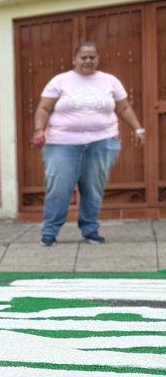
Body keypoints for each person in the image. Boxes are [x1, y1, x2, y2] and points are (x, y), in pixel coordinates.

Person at [33, 42, 144, 246]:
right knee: (59, 188)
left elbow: (124, 108)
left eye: (92, 57)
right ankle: (50, 232)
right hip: (62, 143)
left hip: (102, 142)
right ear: (74, 60)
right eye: (83, 57)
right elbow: (43, 108)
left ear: (98, 59)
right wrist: (39, 130)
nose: (88, 60)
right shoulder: (60, 80)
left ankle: (90, 230)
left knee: (93, 188)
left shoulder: (109, 81)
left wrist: (138, 128)